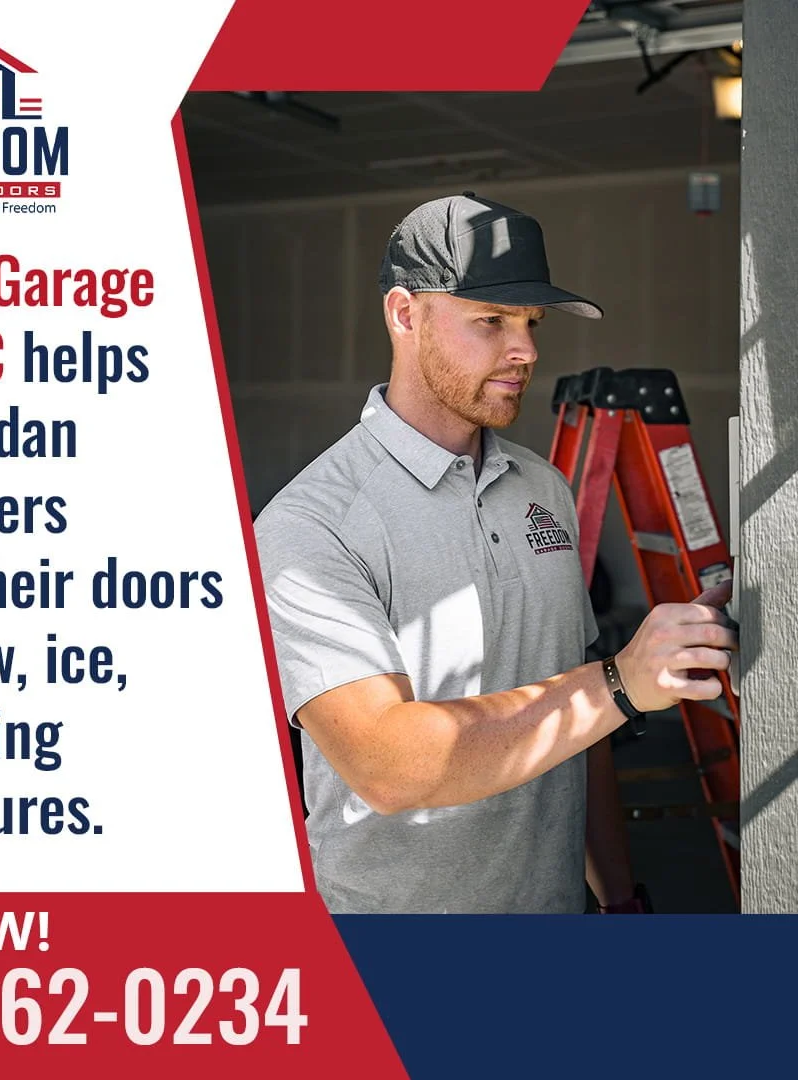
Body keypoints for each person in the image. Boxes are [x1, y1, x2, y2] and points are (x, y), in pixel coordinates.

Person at [254, 193, 736, 914]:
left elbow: (581, 718)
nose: (528, 351)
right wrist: (622, 682)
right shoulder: (312, 524)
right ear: (404, 315)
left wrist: (616, 894)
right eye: (492, 321)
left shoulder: (541, 487)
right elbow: (390, 765)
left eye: (531, 323)